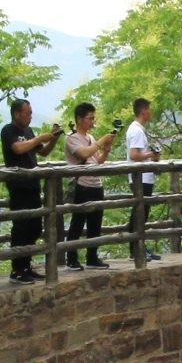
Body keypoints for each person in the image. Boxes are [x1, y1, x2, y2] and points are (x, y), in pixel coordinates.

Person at [0, 99, 61, 284]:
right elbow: (18, 149)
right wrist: (38, 139)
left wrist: (53, 138)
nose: (30, 116)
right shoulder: (8, 130)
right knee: (21, 227)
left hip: (33, 184)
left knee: (34, 227)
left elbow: (43, 152)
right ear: (17, 113)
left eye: (31, 113)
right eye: (28, 113)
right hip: (18, 186)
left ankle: (26, 265)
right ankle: (17, 269)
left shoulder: (29, 131)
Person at [63, 101, 117, 270]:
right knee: (78, 223)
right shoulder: (71, 138)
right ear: (79, 119)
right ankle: (71, 258)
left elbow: (97, 160)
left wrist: (106, 150)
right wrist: (101, 141)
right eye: (90, 118)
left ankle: (92, 257)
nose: (92, 122)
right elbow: (84, 154)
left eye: (93, 118)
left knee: (95, 223)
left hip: (96, 184)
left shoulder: (91, 138)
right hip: (82, 185)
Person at [123, 97, 162, 261]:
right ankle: (136, 249)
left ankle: (138, 247)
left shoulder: (137, 129)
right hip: (141, 178)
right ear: (143, 111)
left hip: (142, 177)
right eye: (149, 109)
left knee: (141, 213)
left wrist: (150, 156)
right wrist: (151, 154)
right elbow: (134, 155)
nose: (150, 112)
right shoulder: (137, 130)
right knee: (139, 214)